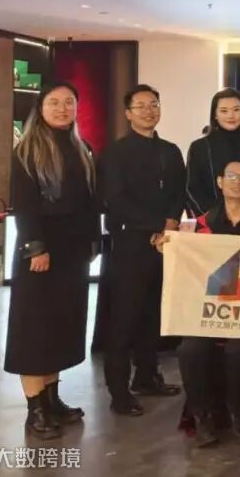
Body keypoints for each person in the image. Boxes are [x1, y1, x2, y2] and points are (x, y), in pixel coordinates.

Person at [4, 83, 99, 440]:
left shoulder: (81, 147)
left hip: (73, 252)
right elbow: (25, 205)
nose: (62, 108)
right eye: (54, 103)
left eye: (69, 102)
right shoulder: (27, 150)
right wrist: (36, 248)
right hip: (41, 253)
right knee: (34, 330)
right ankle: (36, 409)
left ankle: (52, 399)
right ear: (40, 108)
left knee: (61, 326)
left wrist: (93, 240)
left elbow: (90, 202)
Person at [169, 159, 240, 447]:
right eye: (231, 176)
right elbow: (184, 266)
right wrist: (168, 246)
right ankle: (203, 418)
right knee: (190, 349)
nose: (238, 182)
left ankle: (239, 416)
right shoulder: (197, 226)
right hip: (208, 311)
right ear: (219, 182)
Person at [99, 84, 186, 417]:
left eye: (154, 104)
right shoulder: (115, 153)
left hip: (166, 242)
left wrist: (170, 223)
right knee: (125, 319)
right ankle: (119, 393)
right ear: (128, 113)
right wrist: (156, 226)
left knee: (154, 313)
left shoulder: (170, 151)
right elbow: (115, 200)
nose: (149, 111)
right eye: (141, 106)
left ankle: (147, 377)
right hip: (130, 243)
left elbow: (179, 192)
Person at [185, 88, 240, 216]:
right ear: (215, 115)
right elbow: (192, 188)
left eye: (236, 110)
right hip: (211, 220)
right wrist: (211, 217)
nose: (231, 116)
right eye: (224, 111)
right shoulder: (199, 147)